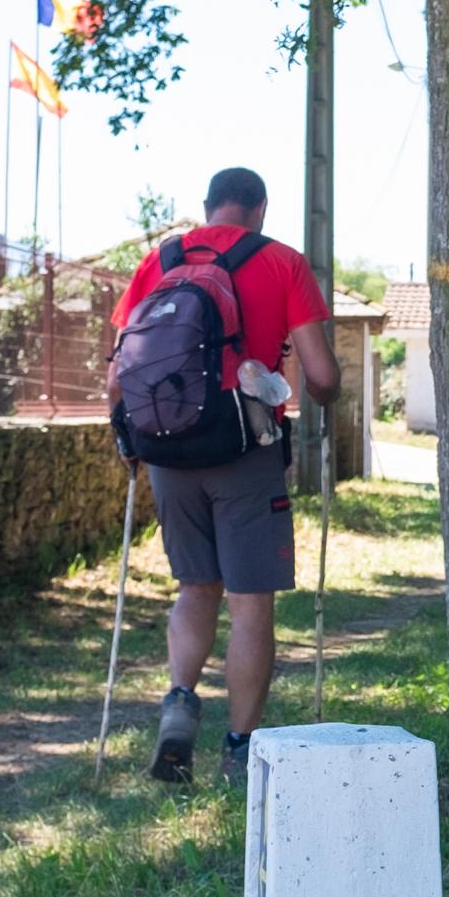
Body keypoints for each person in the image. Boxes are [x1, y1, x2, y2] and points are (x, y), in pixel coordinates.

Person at [106, 166, 339, 788]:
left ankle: (180, 702)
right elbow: (321, 374)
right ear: (259, 209)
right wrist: (322, 388)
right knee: (249, 600)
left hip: (166, 449)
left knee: (195, 587)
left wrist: (129, 440)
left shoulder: (161, 259)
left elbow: (118, 371)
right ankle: (240, 751)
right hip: (245, 447)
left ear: (207, 209)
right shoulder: (282, 262)